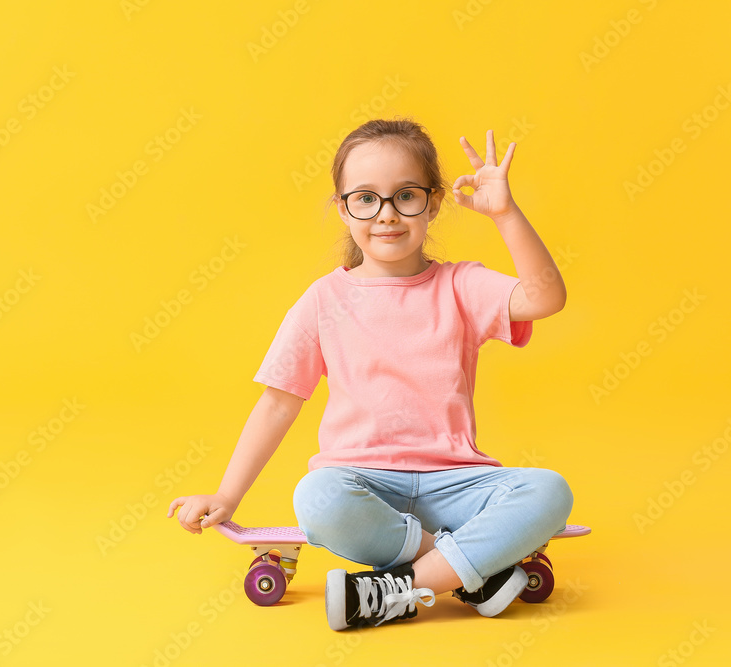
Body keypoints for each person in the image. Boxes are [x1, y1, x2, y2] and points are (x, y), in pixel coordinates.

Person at [168, 117, 574, 632]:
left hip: (456, 483)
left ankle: (399, 590)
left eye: (405, 196)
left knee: (549, 491)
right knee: (316, 497)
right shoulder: (323, 300)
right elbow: (277, 402)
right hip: (363, 486)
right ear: (342, 207)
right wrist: (226, 497)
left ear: (433, 202)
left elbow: (545, 297)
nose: (386, 215)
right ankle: (471, 573)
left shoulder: (460, 286)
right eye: (365, 198)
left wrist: (506, 214)